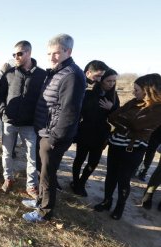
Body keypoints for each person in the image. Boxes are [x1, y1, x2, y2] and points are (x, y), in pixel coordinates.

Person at [22, 34, 86, 222]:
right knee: (42, 172)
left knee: (48, 176)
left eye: (57, 53)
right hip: (44, 132)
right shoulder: (57, 72)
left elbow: (69, 111)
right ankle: (40, 201)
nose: (51, 57)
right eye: (49, 53)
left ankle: (45, 212)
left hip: (53, 136)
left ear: (68, 51)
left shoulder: (72, 75)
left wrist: (54, 138)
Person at [94, 73, 161, 220]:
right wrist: (126, 124)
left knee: (123, 180)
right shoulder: (133, 102)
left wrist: (124, 121)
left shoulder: (157, 109)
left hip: (133, 150)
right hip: (115, 145)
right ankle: (106, 201)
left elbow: (137, 124)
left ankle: (120, 206)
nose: (133, 92)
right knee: (110, 176)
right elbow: (112, 117)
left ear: (148, 91)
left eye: (136, 90)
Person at [0, 40, 47, 197]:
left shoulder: (42, 75)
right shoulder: (9, 73)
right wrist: (3, 111)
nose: (16, 57)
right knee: (6, 153)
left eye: (19, 53)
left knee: (32, 156)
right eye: (14, 54)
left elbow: (44, 100)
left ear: (29, 53)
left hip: (29, 125)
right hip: (9, 123)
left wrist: (39, 119)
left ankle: (31, 186)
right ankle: (8, 179)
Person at [71, 68, 120, 197]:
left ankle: (82, 182)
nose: (111, 84)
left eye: (114, 81)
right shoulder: (88, 94)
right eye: (109, 80)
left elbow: (117, 118)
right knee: (79, 159)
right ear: (101, 80)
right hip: (85, 131)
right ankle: (75, 182)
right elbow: (78, 113)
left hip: (101, 134)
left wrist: (112, 108)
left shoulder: (114, 97)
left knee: (94, 161)